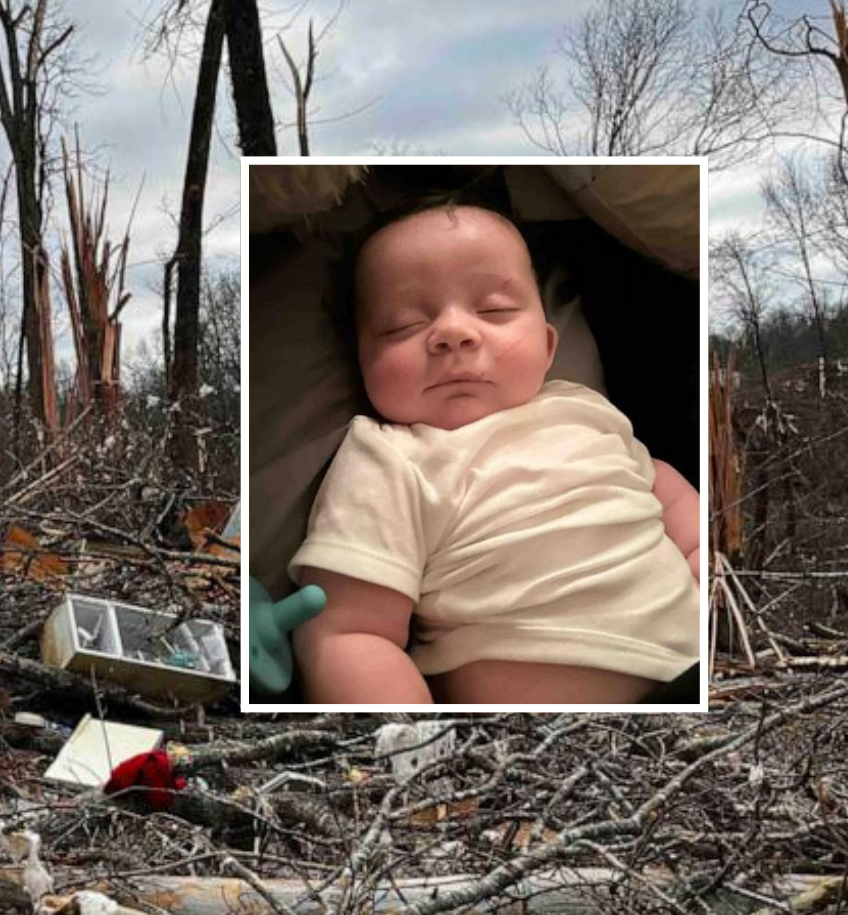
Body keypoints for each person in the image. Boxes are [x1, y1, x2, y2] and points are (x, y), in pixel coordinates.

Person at [287, 198, 700, 705]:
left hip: (698, 669)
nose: (454, 333)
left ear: (549, 346)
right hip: (531, 728)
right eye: (403, 325)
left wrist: (700, 553)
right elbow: (347, 633)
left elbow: (657, 481)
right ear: (360, 360)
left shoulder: (583, 407)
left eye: (494, 310)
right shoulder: (388, 457)